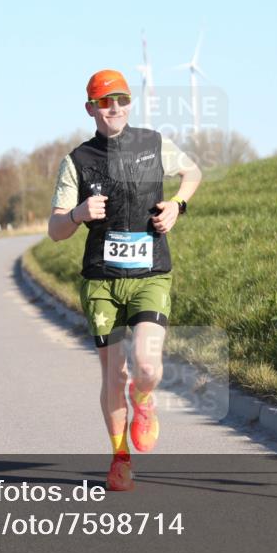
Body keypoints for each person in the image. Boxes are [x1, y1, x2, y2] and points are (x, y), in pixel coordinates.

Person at [47, 69, 201, 490]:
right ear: (90, 109)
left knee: (148, 365)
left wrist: (177, 205)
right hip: (102, 282)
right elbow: (55, 228)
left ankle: (144, 398)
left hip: (151, 273)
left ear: (130, 103)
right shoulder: (77, 162)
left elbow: (192, 173)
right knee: (114, 374)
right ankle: (119, 457)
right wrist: (77, 215)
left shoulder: (153, 143)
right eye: (104, 101)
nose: (114, 108)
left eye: (121, 99)